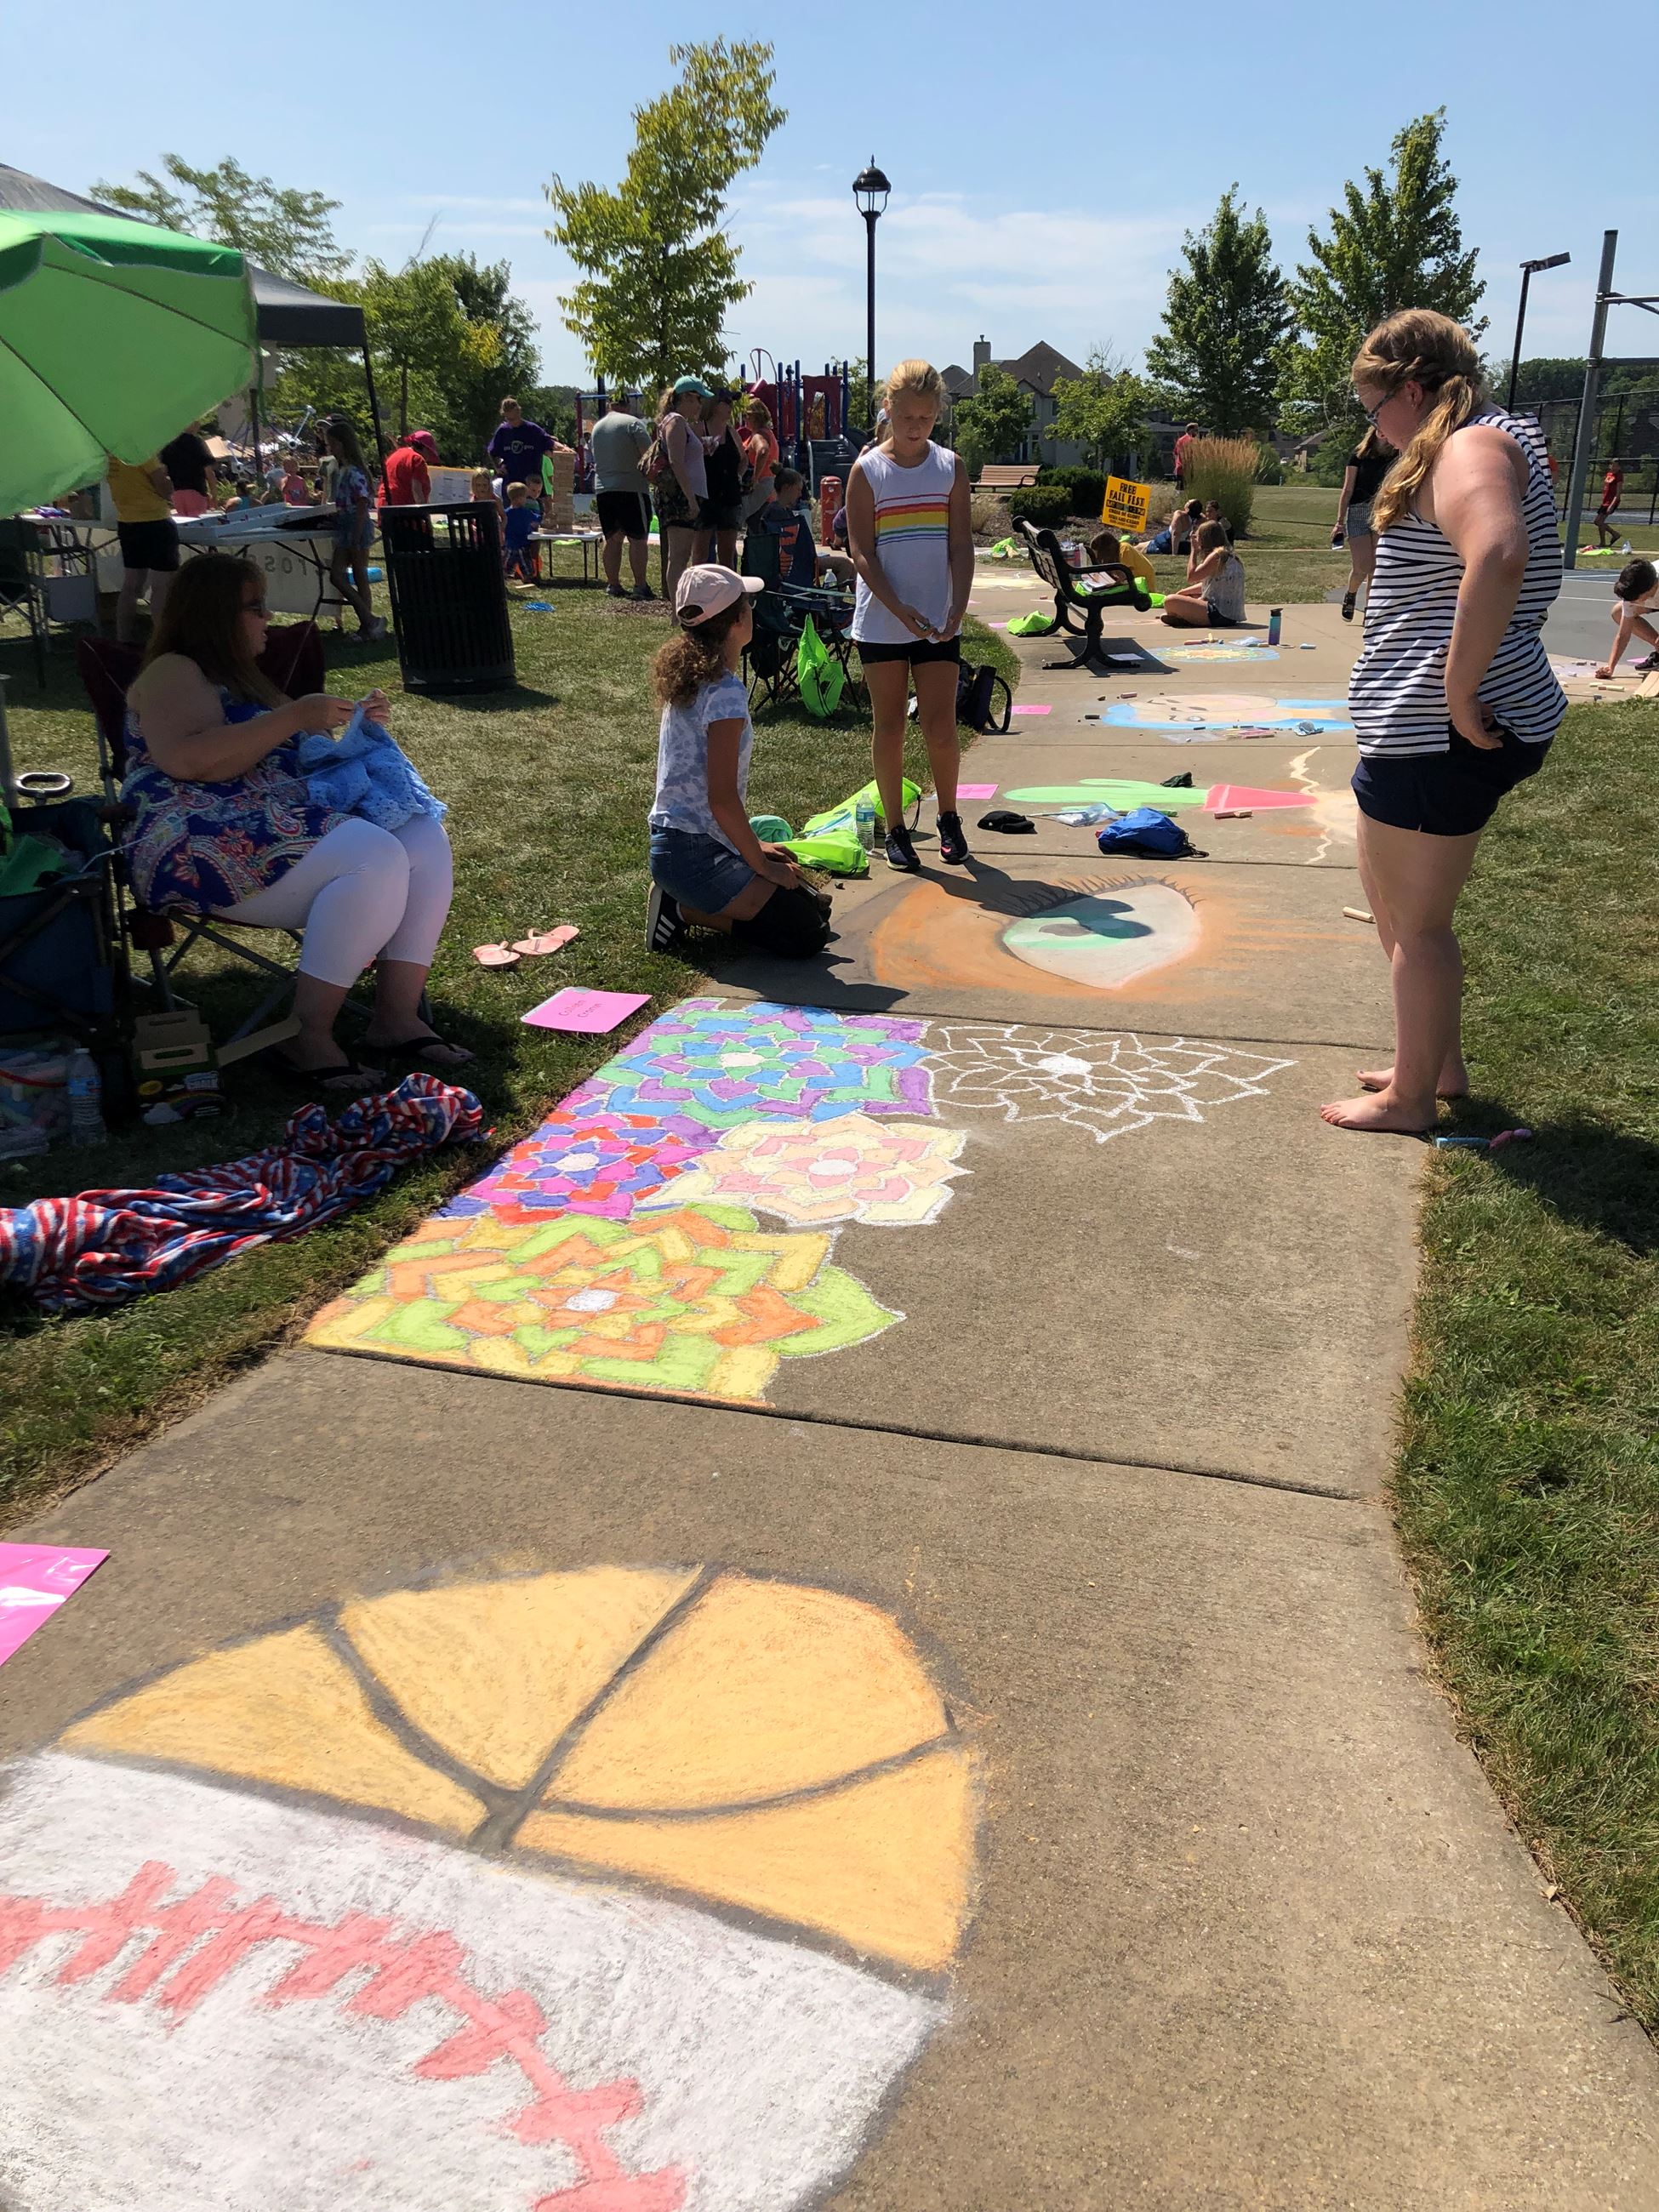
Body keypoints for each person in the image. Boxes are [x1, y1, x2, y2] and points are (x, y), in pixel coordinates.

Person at [1325, 309, 1566, 1135]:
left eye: (1374, 408)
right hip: (1418, 725)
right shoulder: (1479, 439)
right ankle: (1432, 1064)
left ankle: (1411, 1099)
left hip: (1436, 730)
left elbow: (1499, 554)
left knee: (1419, 925)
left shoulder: (1470, 446)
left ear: (1412, 390)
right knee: (1395, 907)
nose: (1375, 430)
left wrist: (1459, 693)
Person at [121, 554, 466, 1090]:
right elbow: (189, 761)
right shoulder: (174, 671)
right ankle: (307, 1038)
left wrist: (351, 723)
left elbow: (308, 748)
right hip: (196, 840)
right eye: (255, 606)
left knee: (421, 833)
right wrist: (296, 715)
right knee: (372, 854)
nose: (267, 617)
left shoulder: (245, 679)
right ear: (215, 614)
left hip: (272, 825)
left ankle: (396, 1018)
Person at [644, 563, 832, 960]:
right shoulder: (724, 691)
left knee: (815, 907)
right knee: (808, 933)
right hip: (692, 855)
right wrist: (761, 865)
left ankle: (689, 897)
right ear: (737, 621)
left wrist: (755, 847)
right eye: (748, 604)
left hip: (681, 844)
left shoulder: (693, 676)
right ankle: (680, 909)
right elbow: (722, 799)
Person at [847, 358, 975, 873]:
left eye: (926, 417)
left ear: (938, 413)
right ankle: (896, 829)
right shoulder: (867, 471)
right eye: (906, 417)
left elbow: (960, 544)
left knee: (941, 726)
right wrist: (898, 609)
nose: (916, 427)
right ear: (888, 409)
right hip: (882, 621)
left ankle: (949, 818)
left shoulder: (950, 467)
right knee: (891, 726)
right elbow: (861, 552)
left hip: (938, 621)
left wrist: (957, 607)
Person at [322, 419, 387, 641]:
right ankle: (370, 620)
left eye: (332, 444)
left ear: (343, 444)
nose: (330, 449)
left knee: (360, 575)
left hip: (355, 525)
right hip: (344, 525)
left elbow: (361, 503)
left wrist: (357, 534)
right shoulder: (341, 470)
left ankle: (367, 626)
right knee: (337, 576)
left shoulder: (354, 472)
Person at [105, 451, 178, 645]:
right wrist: (168, 479)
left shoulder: (111, 455)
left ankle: (123, 639)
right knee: (161, 585)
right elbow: (164, 488)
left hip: (127, 522)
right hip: (155, 520)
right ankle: (162, 642)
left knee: (131, 585)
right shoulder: (141, 452)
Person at [588, 393, 654, 599]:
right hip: (631, 487)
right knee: (638, 539)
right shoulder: (633, 424)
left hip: (604, 489)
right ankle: (640, 585)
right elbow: (648, 456)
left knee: (613, 538)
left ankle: (613, 584)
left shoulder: (597, 428)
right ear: (628, 405)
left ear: (610, 404)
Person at [651, 377, 710, 602]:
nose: (700, 405)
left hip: (686, 496)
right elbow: (676, 462)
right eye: (698, 399)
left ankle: (681, 608)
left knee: (682, 555)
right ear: (685, 397)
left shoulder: (680, 422)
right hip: (679, 498)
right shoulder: (675, 422)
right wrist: (690, 499)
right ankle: (678, 610)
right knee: (678, 557)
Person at [1332, 430, 1395, 621]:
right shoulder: (1359, 455)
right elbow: (1348, 489)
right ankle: (1351, 593)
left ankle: (1370, 611)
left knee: (1376, 567)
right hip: (1358, 510)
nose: (1383, 433)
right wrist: (1339, 522)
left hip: (1382, 511)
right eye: (1379, 429)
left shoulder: (1396, 455)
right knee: (1362, 565)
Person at [696, 388, 750, 569]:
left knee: (727, 553)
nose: (730, 406)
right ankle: (700, 585)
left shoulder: (731, 432)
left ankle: (728, 586)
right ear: (714, 405)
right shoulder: (699, 428)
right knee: (701, 553)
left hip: (729, 497)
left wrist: (738, 475)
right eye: (726, 402)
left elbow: (744, 459)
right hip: (705, 497)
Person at [1158, 521, 1246, 626]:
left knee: (1170, 600)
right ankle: (1184, 617)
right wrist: (1183, 592)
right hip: (1229, 615)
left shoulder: (1217, 556)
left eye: (1198, 537)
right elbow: (1211, 585)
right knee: (1191, 596)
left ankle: (1185, 618)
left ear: (1205, 539)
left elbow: (1192, 577)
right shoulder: (1230, 556)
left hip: (1218, 614)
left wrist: (1193, 551)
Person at [1594, 556, 1659, 678]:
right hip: (1655, 598)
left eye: (1636, 599)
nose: (1632, 603)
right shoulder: (1636, 588)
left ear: (1652, 587)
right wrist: (1610, 667)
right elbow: (1623, 634)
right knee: (1618, 612)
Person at [487, 397, 556, 500]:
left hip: (531, 486)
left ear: (519, 412)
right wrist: (497, 467)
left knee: (532, 509)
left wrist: (562, 448)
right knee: (511, 509)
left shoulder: (532, 430)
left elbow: (550, 443)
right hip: (511, 485)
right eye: (509, 419)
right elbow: (492, 451)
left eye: (514, 419)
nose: (512, 422)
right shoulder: (503, 431)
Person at [160, 425, 218, 517]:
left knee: (185, 522)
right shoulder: (196, 442)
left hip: (177, 493)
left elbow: (164, 471)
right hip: (196, 491)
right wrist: (214, 495)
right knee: (198, 523)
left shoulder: (168, 444)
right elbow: (209, 472)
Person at [741, 398, 778, 522]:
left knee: (754, 525)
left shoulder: (759, 436)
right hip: (769, 489)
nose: (744, 419)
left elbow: (763, 451)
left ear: (755, 417)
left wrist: (755, 478)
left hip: (760, 488)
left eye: (746, 415)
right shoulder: (768, 433)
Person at [1086, 527, 1155, 591]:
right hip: (1134, 586)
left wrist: (1106, 586)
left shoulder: (1125, 548)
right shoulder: (1115, 554)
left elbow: (1125, 575)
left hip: (1143, 588)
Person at [379, 430, 430, 508]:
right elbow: (417, 492)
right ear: (425, 448)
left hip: (385, 507)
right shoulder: (417, 459)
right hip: (403, 510)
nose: (429, 456)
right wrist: (424, 512)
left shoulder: (396, 455)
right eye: (429, 452)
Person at [501, 482, 540, 582]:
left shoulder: (506, 513)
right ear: (519, 498)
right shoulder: (525, 513)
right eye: (525, 497)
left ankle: (505, 575)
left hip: (509, 545)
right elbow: (536, 520)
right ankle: (527, 577)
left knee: (506, 565)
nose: (526, 500)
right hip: (522, 545)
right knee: (526, 564)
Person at [1593, 456, 1625, 549]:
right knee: (1599, 522)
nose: (1613, 467)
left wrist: (1612, 505)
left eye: (1616, 466)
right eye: (1612, 465)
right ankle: (1607, 539)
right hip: (1605, 501)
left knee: (1598, 521)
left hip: (1611, 502)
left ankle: (1613, 535)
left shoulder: (1619, 476)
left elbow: (1618, 493)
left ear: (1619, 467)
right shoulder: (1609, 474)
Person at [1172, 424, 1198, 489]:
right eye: (1196, 430)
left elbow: (1175, 453)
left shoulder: (1180, 440)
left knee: (1180, 490)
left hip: (1179, 469)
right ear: (1191, 430)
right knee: (1188, 489)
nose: (1197, 432)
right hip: (1188, 470)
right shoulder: (1192, 440)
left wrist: (1176, 466)